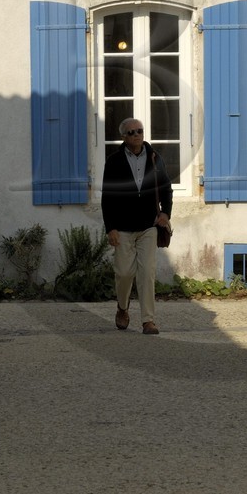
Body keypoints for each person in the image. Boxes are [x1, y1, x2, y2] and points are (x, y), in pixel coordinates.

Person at [101, 118, 172, 333]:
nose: (136, 135)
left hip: (148, 226)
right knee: (124, 273)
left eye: (139, 131)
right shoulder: (114, 161)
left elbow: (167, 189)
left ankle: (147, 320)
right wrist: (110, 228)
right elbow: (108, 197)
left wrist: (165, 213)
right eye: (131, 132)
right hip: (122, 227)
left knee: (147, 272)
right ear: (124, 136)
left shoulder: (154, 158)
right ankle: (122, 308)